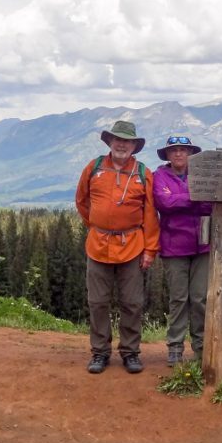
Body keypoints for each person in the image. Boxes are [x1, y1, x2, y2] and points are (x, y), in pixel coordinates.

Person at [75, 120, 160, 375]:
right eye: (117, 139)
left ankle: (130, 352)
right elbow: (81, 200)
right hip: (98, 245)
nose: (121, 144)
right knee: (97, 302)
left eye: (127, 141)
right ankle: (99, 352)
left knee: (132, 302)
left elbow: (150, 214)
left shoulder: (143, 173)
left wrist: (149, 250)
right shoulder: (94, 167)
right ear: (110, 142)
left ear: (134, 145)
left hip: (132, 246)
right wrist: (97, 225)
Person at [153, 135, 211, 366]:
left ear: (190, 153)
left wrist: (179, 198)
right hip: (173, 247)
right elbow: (164, 204)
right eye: (174, 150)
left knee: (200, 299)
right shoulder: (159, 176)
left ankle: (202, 347)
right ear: (167, 155)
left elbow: (210, 204)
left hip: (203, 245)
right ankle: (175, 347)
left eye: (183, 150)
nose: (179, 154)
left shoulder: (202, 175)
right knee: (178, 298)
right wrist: (195, 197)